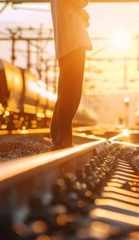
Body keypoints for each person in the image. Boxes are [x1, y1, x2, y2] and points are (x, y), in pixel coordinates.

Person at [49, 0, 92, 150]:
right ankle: (62, 139)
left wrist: (80, 14)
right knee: (71, 91)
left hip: (68, 41)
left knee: (65, 90)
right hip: (73, 41)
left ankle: (59, 136)